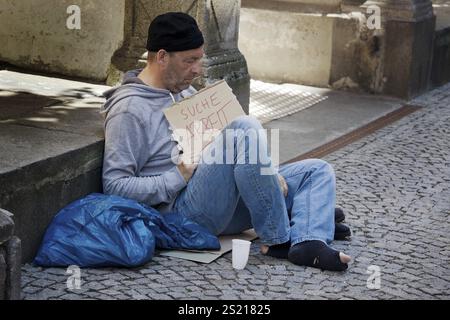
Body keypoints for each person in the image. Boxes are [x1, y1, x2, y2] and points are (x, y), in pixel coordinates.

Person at [102, 12, 351, 271]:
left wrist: (267, 174)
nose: (198, 70)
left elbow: (229, 151)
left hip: (221, 199)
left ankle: (308, 241)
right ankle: (281, 236)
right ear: (162, 57)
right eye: (190, 61)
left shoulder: (183, 91)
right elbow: (114, 186)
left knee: (316, 171)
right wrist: (177, 175)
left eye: (200, 59)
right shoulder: (129, 109)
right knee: (244, 127)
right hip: (182, 213)